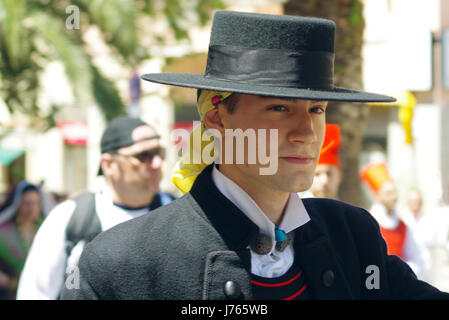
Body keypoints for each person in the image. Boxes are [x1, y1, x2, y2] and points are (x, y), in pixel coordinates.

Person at [61, 11, 448, 300]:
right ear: (217, 118)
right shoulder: (121, 264)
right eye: (280, 108)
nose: (305, 132)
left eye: (317, 110)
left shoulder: (352, 237)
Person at [17, 116, 175, 300]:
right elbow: (35, 293)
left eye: (159, 153)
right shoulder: (70, 217)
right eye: (143, 156)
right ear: (108, 164)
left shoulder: (175, 213)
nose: (157, 164)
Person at [360, 163, 429, 279]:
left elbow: (416, 257)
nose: (394, 197)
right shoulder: (366, 222)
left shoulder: (402, 225)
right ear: (376, 196)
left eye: (394, 192)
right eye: (388, 193)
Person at [0, 181, 54, 299]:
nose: (31, 208)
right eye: (26, 203)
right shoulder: (4, 231)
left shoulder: (46, 229)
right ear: (17, 204)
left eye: (35, 203)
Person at [303, 123, 342, 199]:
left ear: (339, 176)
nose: (325, 181)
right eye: (317, 174)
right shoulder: (293, 209)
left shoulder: (349, 210)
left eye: (329, 174)